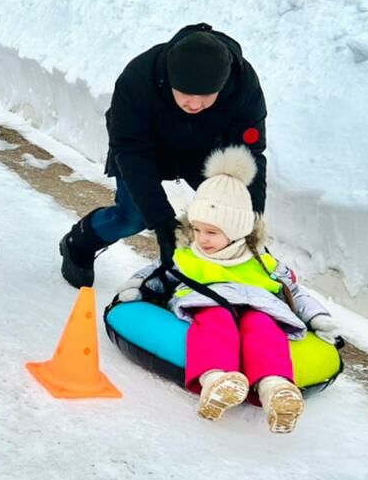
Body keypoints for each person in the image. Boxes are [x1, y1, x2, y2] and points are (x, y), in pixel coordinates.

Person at [113, 147, 346, 433]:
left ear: (237, 229)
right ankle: (217, 380)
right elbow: (156, 273)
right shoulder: (187, 255)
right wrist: (135, 289)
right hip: (208, 304)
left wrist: (317, 318)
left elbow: (294, 292)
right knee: (216, 322)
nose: (202, 239)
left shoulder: (262, 261)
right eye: (197, 229)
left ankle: (275, 388)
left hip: (259, 307)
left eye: (211, 233)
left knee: (264, 327)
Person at [59, 24, 268, 289]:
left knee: (224, 216)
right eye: (185, 94)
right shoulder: (138, 78)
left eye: (205, 96)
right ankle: (79, 241)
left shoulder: (243, 84)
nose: (194, 104)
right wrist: (161, 222)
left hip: (204, 152)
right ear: (170, 80)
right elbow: (130, 151)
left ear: (223, 85)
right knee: (134, 217)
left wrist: (251, 218)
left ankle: (221, 282)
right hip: (145, 150)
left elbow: (249, 154)